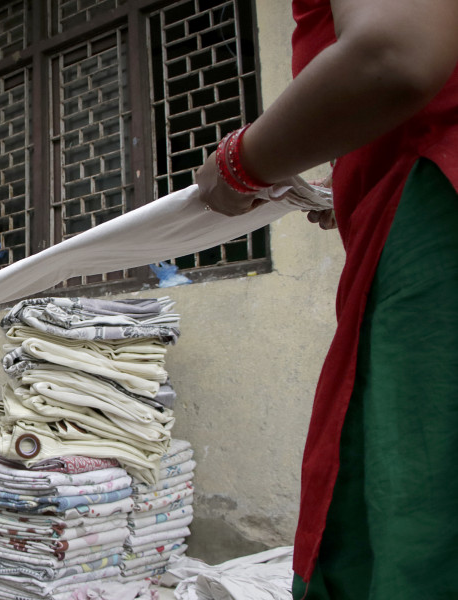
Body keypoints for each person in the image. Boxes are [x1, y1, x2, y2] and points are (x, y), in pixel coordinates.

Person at [195, 1, 458, 598]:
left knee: (420, 510)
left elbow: (394, 53)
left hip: (438, 219)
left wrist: (241, 164)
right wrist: (349, 184)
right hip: (409, 212)